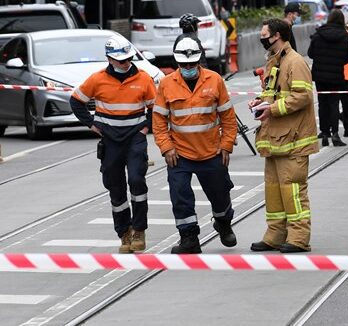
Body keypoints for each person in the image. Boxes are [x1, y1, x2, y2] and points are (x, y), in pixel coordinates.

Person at [69, 36, 156, 253]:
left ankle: (139, 230)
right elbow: (76, 100)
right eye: (120, 60)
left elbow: (156, 109)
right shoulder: (97, 79)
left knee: (137, 181)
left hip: (135, 138)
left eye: (127, 59)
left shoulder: (143, 79)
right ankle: (124, 233)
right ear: (109, 58)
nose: (125, 63)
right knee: (115, 187)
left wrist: (145, 127)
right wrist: (91, 124)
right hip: (110, 141)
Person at [152, 36, 238, 254]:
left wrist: (226, 145)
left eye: (192, 64)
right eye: (184, 65)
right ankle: (189, 237)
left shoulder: (214, 80)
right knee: (180, 195)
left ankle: (223, 222)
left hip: (211, 152)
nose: (188, 68)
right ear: (177, 63)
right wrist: (166, 147)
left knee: (220, 193)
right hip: (179, 154)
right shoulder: (166, 84)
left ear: (198, 61)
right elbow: (159, 121)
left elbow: (228, 117)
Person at [248, 18, 319, 253]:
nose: (262, 38)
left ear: (277, 35)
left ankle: (299, 237)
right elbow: (272, 94)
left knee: (293, 190)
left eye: (264, 34)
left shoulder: (295, 62)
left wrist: (273, 108)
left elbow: (302, 96)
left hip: (294, 140)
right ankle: (275, 235)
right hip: (276, 139)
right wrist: (260, 103)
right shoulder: (274, 62)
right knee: (274, 189)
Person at [307, 9, 348, 147]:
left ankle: (324, 133)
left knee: (322, 104)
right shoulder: (345, 36)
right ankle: (335, 134)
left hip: (320, 75)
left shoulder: (318, 34)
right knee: (334, 103)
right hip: (336, 75)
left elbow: (311, 53)